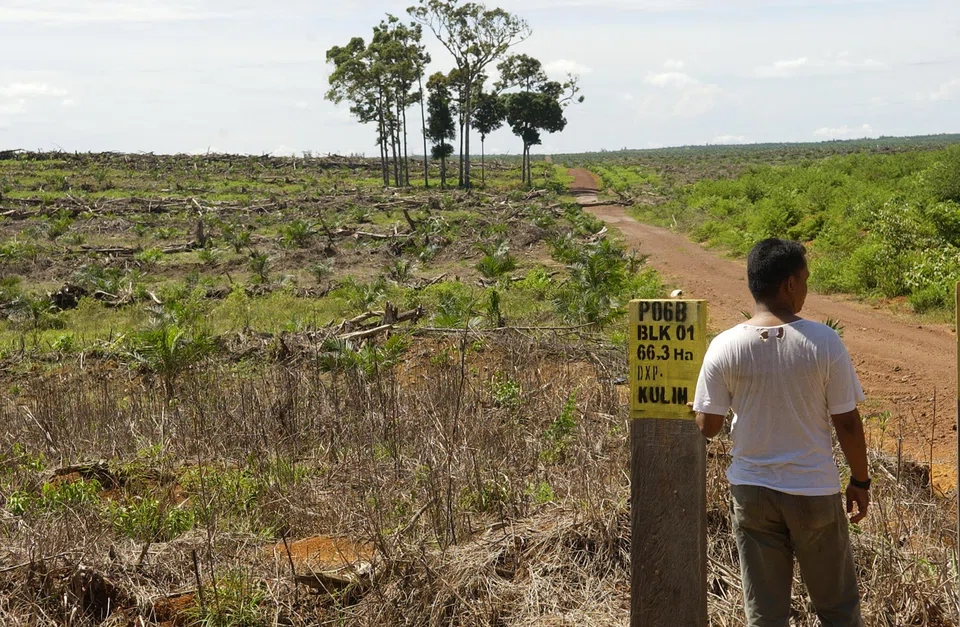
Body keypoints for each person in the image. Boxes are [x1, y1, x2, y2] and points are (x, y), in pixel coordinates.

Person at [693, 238, 869, 627]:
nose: (806, 288)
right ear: (789, 284)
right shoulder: (824, 342)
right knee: (837, 609)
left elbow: (709, 427)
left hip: (752, 492)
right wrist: (860, 479)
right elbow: (847, 423)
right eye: (804, 280)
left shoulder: (723, 346)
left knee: (765, 615)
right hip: (813, 491)